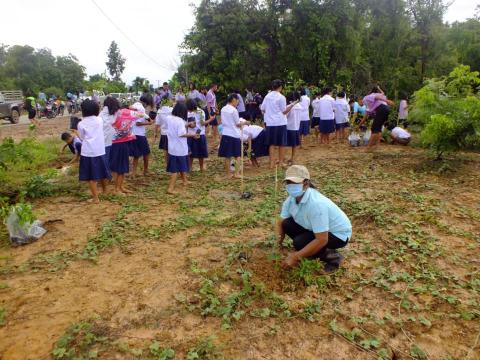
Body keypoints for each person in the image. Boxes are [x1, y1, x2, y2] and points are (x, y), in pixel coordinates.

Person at [277, 165, 352, 272]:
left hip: (337, 234)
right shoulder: (291, 200)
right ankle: (310, 249)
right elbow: (280, 222)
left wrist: (295, 256)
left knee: (300, 243)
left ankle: (333, 257)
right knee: (286, 224)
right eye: (289, 183)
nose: (291, 186)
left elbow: (322, 239)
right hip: (317, 229)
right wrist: (277, 244)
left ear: (306, 184)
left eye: (295, 183)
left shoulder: (316, 204)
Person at [77, 99, 111, 203]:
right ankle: (105, 191)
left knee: (91, 176)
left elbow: (82, 137)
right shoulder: (99, 120)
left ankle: (95, 198)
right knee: (102, 172)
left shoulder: (81, 123)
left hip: (88, 152)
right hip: (100, 150)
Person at [261, 79, 298, 168]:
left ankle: (271, 163)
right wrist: (292, 105)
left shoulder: (267, 96)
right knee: (281, 143)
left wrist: (270, 114)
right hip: (280, 122)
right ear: (280, 87)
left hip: (270, 123)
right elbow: (284, 111)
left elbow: (263, 109)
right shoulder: (281, 97)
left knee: (271, 144)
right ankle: (281, 163)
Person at [110, 106, 146, 194]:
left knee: (122, 166)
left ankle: (120, 187)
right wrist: (131, 109)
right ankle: (117, 189)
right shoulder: (124, 116)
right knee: (120, 167)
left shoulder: (114, 116)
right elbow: (144, 115)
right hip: (119, 143)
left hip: (119, 143)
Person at [166, 102, 200, 194]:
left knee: (181, 166)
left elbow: (175, 128)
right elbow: (182, 134)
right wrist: (193, 135)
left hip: (172, 146)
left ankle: (185, 180)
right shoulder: (180, 121)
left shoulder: (169, 118)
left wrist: (187, 125)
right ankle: (170, 189)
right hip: (179, 148)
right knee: (176, 170)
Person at [218, 93, 249, 178]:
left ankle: (228, 174)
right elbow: (237, 124)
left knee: (227, 156)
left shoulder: (223, 109)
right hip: (234, 134)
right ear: (234, 100)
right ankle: (236, 173)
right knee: (238, 155)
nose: (238, 102)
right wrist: (245, 122)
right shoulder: (233, 110)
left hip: (225, 133)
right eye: (237, 100)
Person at [129, 94, 154, 176]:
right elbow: (138, 123)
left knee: (136, 154)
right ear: (146, 103)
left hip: (132, 133)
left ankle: (133, 173)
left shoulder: (135, 105)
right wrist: (149, 123)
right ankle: (145, 170)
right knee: (146, 152)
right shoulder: (141, 108)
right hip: (139, 134)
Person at [186, 99, 214, 171]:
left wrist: (210, 120)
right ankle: (190, 167)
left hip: (199, 134)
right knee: (190, 153)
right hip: (190, 134)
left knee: (200, 153)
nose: (189, 110)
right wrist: (210, 120)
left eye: (189, 109)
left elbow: (201, 124)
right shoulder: (188, 112)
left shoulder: (200, 112)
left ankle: (201, 167)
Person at [99, 96, 120, 168]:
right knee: (108, 163)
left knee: (108, 162)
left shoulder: (102, 115)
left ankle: (108, 175)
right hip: (108, 143)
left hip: (108, 142)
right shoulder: (111, 114)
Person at [286, 91, 302, 164]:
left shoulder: (289, 107)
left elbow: (285, 116)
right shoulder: (299, 106)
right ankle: (293, 158)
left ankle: (283, 158)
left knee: (283, 144)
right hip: (296, 127)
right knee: (294, 144)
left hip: (288, 127)